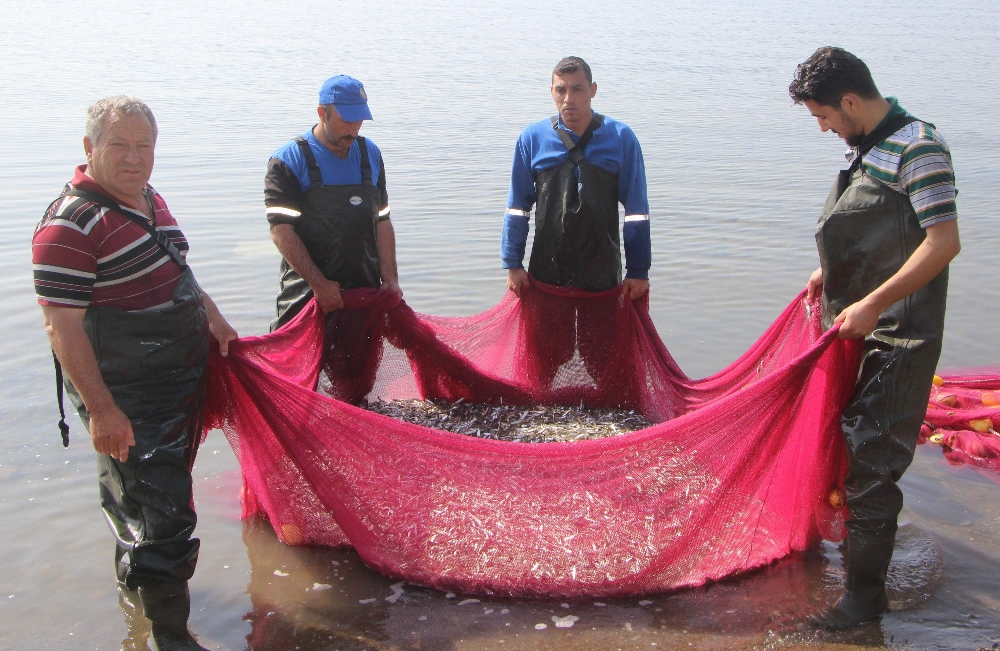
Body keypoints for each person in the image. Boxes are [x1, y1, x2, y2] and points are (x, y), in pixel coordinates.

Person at [32, 96, 238, 650]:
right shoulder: (68, 226)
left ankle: (136, 609)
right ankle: (171, 639)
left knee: (137, 503)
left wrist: (214, 319)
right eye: (119, 145)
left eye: (144, 145)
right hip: (126, 396)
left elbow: (178, 268)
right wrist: (103, 412)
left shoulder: (149, 197)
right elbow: (61, 327)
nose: (134, 157)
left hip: (174, 385)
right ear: (89, 147)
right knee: (166, 517)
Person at [789, 47, 961, 630]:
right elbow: (880, 234)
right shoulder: (868, 146)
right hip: (858, 326)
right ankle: (858, 568)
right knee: (847, 447)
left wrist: (872, 303)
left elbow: (942, 243)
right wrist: (830, 272)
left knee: (872, 460)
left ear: (851, 101)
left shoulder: (919, 149)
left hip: (900, 334)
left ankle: (864, 602)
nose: (823, 128)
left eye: (824, 116)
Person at [500, 56, 651, 387]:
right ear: (551, 92)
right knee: (546, 356)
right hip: (547, 269)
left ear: (593, 90)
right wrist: (512, 263)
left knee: (604, 358)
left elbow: (637, 210)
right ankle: (540, 398)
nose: (569, 99)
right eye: (561, 90)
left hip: (602, 270)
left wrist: (638, 270)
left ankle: (611, 402)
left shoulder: (621, 138)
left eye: (578, 89)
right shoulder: (531, 139)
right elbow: (517, 208)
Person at [265, 74, 401, 332]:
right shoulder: (288, 160)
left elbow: (382, 221)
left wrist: (391, 280)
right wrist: (319, 285)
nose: (354, 129)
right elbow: (281, 231)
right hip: (306, 296)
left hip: (364, 294)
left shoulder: (370, 153)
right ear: (322, 113)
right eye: (346, 120)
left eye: (359, 120)